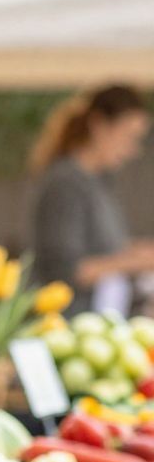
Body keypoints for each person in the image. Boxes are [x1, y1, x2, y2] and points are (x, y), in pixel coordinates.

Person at [29, 84, 154, 314]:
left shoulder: (98, 184)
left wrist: (139, 250)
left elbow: (105, 247)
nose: (132, 150)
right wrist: (139, 262)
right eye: (129, 137)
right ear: (99, 125)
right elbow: (67, 270)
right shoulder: (65, 184)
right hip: (66, 324)